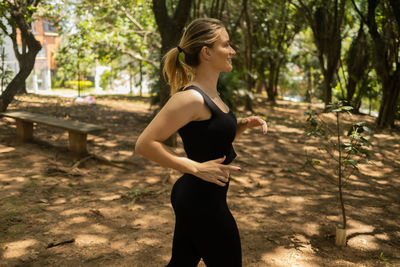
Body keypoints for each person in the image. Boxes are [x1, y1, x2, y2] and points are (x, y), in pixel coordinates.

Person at [135, 18, 268, 267]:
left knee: (181, 263)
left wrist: (240, 127)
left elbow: (207, 138)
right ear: (206, 52)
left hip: (202, 197)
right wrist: (194, 167)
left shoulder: (213, 95)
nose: (232, 51)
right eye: (226, 45)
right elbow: (144, 143)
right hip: (201, 201)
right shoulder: (191, 99)